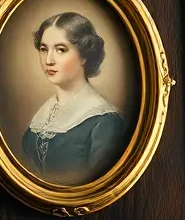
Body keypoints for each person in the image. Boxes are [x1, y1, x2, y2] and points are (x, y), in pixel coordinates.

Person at [22, 12, 127, 184]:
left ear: (84, 56)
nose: (49, 60)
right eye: (44, 49)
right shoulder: (43, 115)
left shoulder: (104, 121)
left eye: (61, 50)